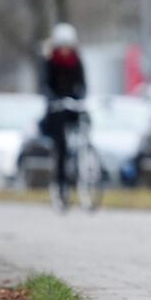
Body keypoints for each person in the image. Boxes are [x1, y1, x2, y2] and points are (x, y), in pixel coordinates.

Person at [39, 23, 87, 196]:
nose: (66, 50)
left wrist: (80, 98)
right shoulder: (50, 62)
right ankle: (60, 183)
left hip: (72, 104)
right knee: (61, 145)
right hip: (56, 107)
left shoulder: (76, 61)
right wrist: (53, 99)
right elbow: (45, 84)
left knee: (84, 123)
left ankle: (83, 164)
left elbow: (82, 84)